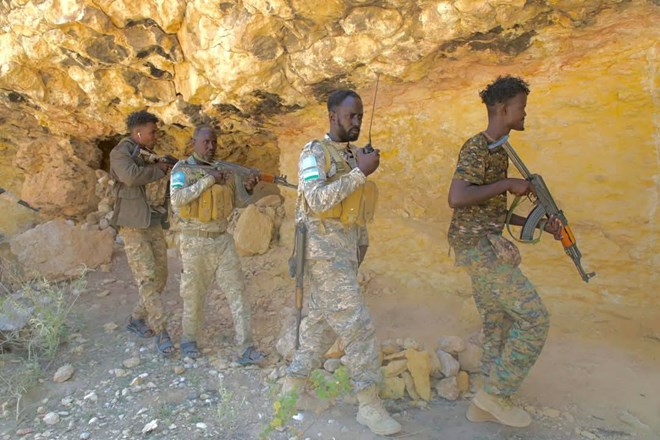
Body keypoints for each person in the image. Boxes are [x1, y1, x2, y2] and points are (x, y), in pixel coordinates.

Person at [281, 90, 401, 436]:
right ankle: (369, 404)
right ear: (333, 116)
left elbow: (355, 214)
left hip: (344, 257)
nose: (357, 121)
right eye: (351, 116)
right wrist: (359, 173)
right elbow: (317, 199)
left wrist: (360, 250)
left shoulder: (350, 156)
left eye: (360, 116)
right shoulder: (314, 153)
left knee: (318, 326)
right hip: (322, 256)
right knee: (358, 325)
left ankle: (291, 389)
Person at [447, 75, 563, 427]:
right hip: (478, 249)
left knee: (498, 323)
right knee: (534, 318)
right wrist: (507, 183)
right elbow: (457, 197)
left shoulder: (499, 151)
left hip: (484, 245)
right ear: (502, 109)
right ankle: (496, 395)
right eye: (521, 107)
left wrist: (541, 226)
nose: (525, 113)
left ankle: (483, 405)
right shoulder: (477, 148)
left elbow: (493, 210)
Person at [169, 125, 266, 364]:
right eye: (206, 142)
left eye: (214, 142)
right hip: (194, 241)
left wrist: (248, 188)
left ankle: (246, 347)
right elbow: (177, 199)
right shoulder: (182, 170)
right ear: (194, 143)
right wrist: (209, 180)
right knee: (193, 294)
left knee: (237, 292)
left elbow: (237, 202)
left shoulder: (224, 170)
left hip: (222, 239)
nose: (211, 147)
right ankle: (189, 340)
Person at [110, 110, 174, 356]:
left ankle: (136, 318)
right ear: (138, 133)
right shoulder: (120, 153)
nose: (156, 136)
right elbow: (130, 176)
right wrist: (160, 169)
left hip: (153, 222)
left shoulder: (147, 153)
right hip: (133, 225)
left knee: (161, 277)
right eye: (152, 132)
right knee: (147, 278)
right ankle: (161, 331)